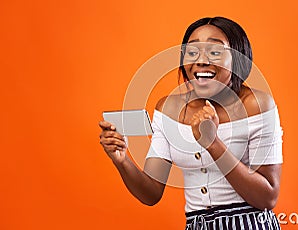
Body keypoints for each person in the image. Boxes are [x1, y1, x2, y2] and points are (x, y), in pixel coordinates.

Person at [99, 16, 283, 229]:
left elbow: (267, 197)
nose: (202, 60)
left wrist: (213, 144)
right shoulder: (168, 108)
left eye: (215, 52)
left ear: (238, 59)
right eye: (192, 52)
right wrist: (122, 160)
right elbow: (150, 193)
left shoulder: (257, 104)